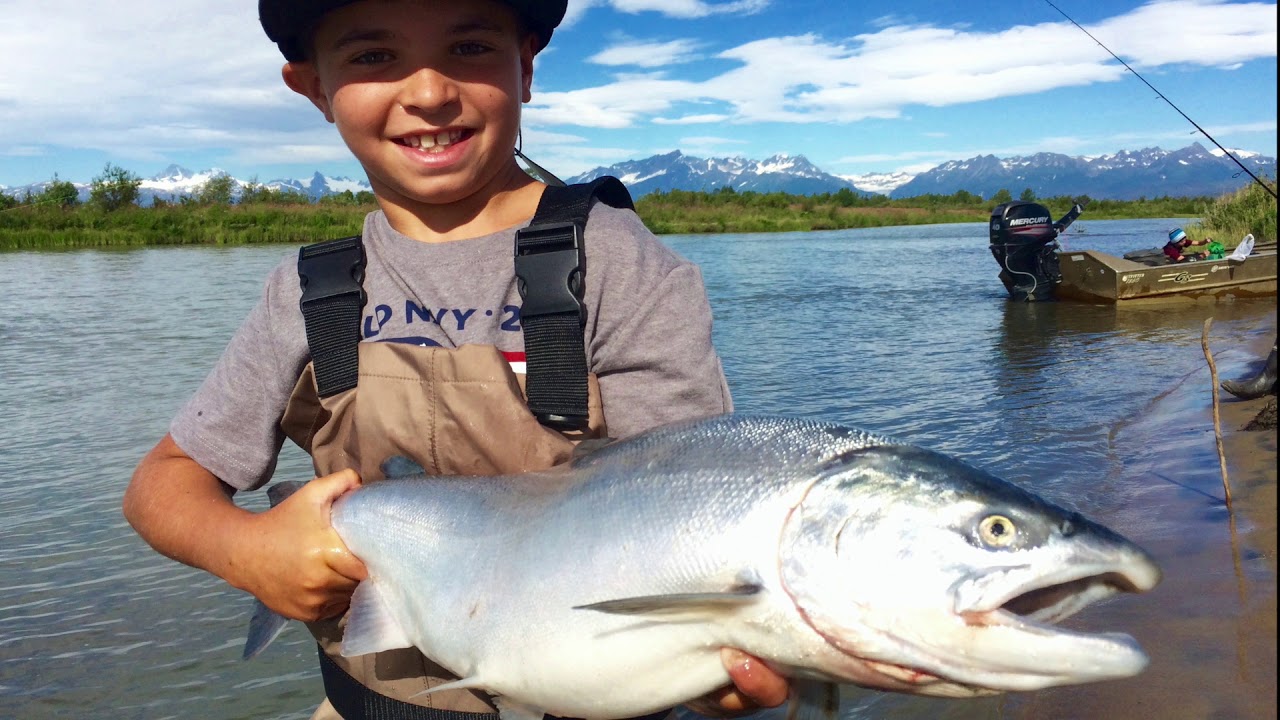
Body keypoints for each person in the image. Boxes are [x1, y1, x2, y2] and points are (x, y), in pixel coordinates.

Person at [121, 1, 789, 719]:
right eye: (374, 56)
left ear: (525, 68)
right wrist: (246, 550)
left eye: (469, 46)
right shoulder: (309, 292)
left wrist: (724, 660)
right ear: (313, 88)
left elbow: (695, 512)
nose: (432, 92)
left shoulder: (623, 267)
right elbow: (161, 486)